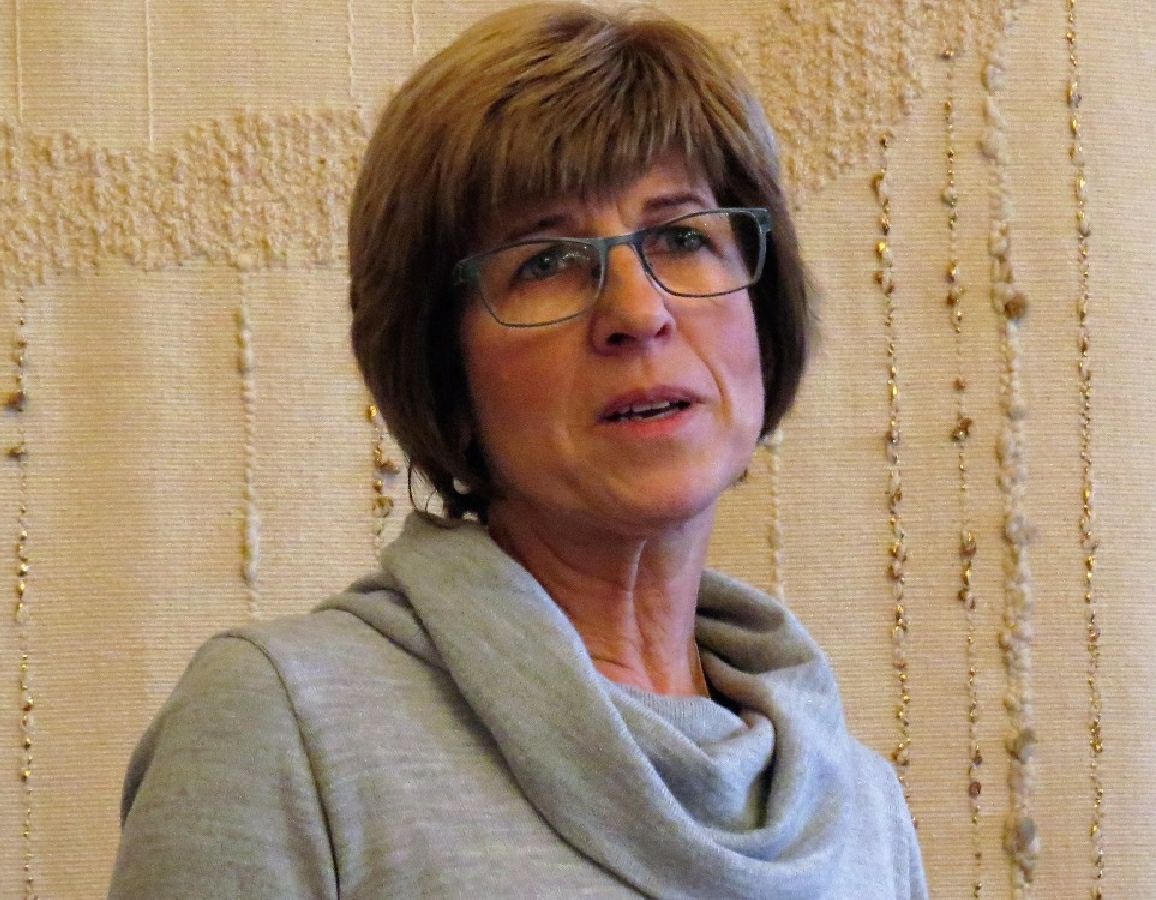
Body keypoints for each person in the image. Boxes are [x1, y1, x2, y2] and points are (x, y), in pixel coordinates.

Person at [109, 3, 927, 897]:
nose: (638, 311)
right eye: (546, 261)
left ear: (763, 322)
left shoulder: (864, 808)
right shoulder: (280, 728)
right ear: (445, 371)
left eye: (683, 237)